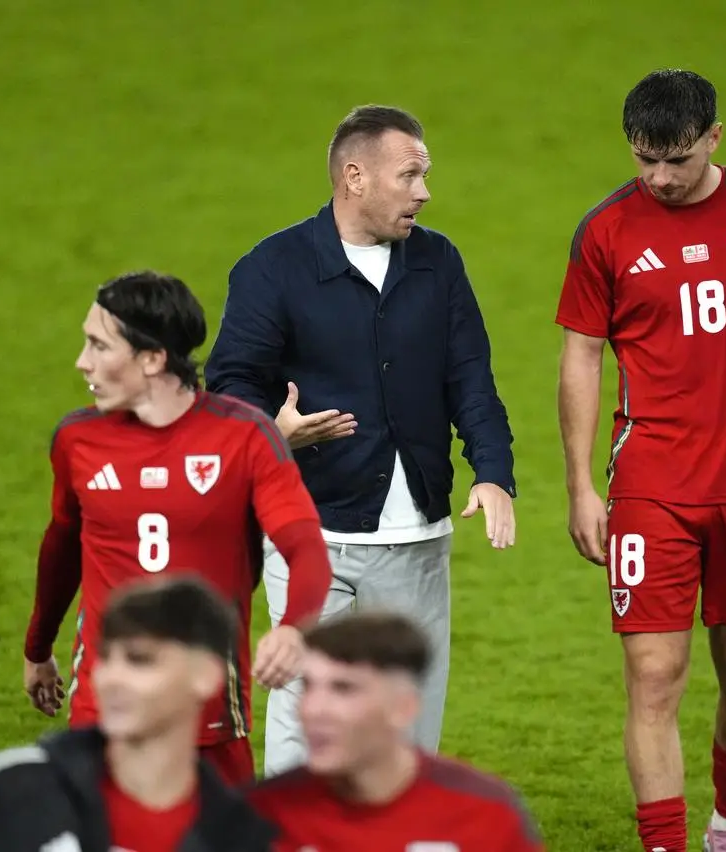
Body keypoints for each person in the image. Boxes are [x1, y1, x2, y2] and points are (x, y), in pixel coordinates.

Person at [555, 68, 726, 852]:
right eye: (645, 159)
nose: (659, 178)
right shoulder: (604, 229)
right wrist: (580, 485)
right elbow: (581, 359)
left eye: (675, 159)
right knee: (652, 676)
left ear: (714, 137)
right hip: (652, 487)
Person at [204, 104, 518, 776]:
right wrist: (273, 430)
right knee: (300, 731)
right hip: (310, 533)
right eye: (410, 176)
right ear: (355, 176)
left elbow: (471, 382)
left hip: (419, 545)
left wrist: (492, 473)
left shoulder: (438, 263)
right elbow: (229, 383)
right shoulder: (273, 268)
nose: (425, 193)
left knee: (407, 736)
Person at [22, 270, 332, 786]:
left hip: (206, 707)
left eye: (99, 346)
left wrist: (293, 628)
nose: (82, 362)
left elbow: (304, 548)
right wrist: (38, 648)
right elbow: (62, 545)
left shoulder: (245, 437)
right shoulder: (78, 440)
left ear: (152, 358)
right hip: (104, 705)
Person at [0, 576, 279, 852]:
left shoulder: (238, 834)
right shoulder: (23, 787)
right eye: (107, 658)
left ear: (204, 675)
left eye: (139, 660)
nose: (111, 677)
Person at [245, 610, 544, 850]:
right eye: (309, 687)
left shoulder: (484, 813)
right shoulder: (265, 813)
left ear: (403, 708)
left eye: (344, 689)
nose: (314, 709)